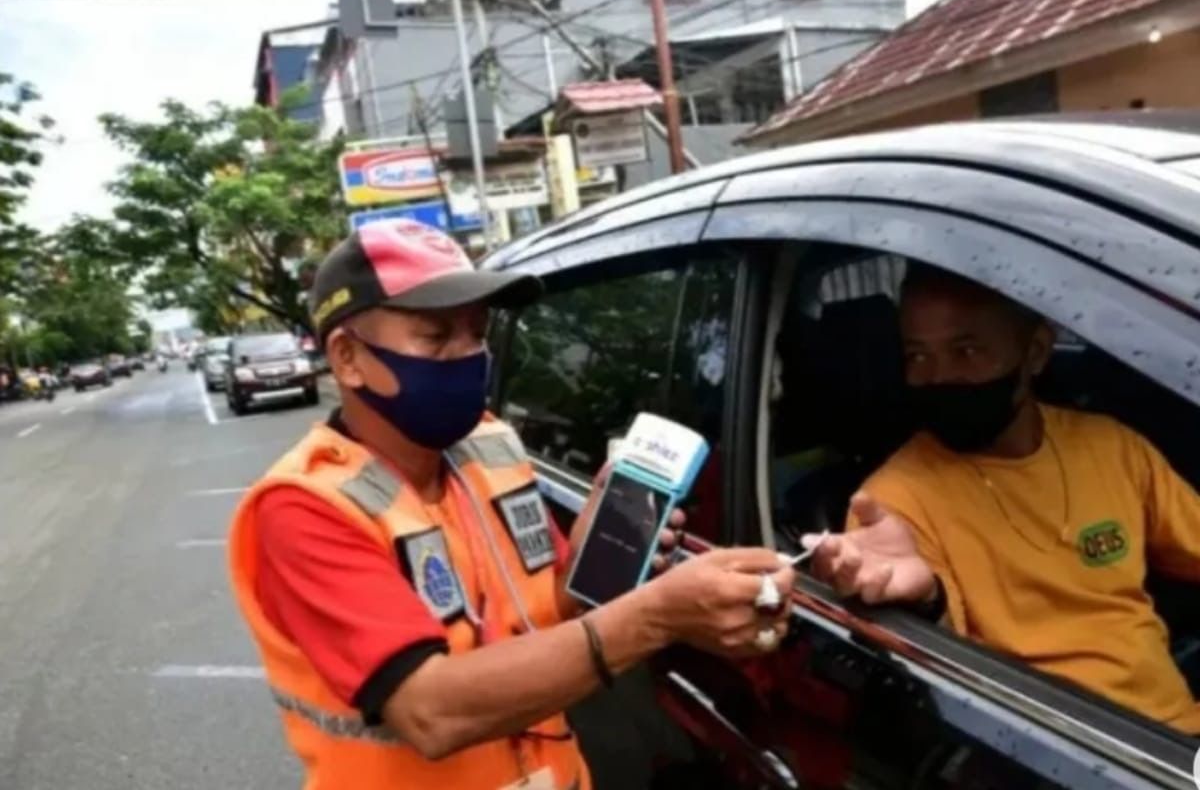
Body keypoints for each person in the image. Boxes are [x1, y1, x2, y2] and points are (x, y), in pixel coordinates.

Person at [228, 220, 795, 790]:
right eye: (436, 335)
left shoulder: (491, 445)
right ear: (348, 358)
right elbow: (431, 710)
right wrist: (656, 615)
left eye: (477, 332)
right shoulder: (305, 507)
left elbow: (544, 611)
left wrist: (594, 551)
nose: (468, 354)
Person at [804, 264, 1200, 735]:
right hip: (1053, 753)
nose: (937, 377)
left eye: (965, 350)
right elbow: (937, 673)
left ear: (1034, 352)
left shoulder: (1111, 448)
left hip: (1175, 735)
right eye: (917, 356)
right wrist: (928, 601)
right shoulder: (889, 505)